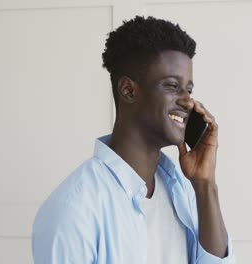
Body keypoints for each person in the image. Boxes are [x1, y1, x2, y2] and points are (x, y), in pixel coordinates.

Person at [32, 16, 235, 264]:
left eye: (188, 89)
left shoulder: (182, 191)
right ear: (128, 90)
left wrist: (205, 185)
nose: (187, 101)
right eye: (172, 86)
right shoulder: (74, 209)